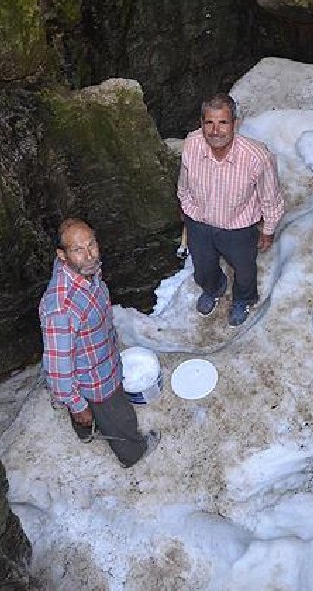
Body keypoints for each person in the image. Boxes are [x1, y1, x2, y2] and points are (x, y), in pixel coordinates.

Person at [39, 217, 159, 467]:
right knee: (121, 418)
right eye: (77, 249)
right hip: (97, 380)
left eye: (91, 244)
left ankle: (85, 430)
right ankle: (132, 453)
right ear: (62, 255)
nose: (89, 254)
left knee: (89, 416)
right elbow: (58, 371)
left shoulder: (83, 270)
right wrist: (77, 405)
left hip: (98, 355)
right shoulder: (61, 310)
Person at [177, 93, 285, 326]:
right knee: (203, 267)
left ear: (235, 124)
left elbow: (271, 197)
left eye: (223, 122)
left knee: (245, 271)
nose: (215, 130)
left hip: (238, 227)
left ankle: (243, 299)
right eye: (209, 122)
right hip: (200, 222)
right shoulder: (192, 145)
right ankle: (214, 287)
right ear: (202, 123)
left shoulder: (256, 157)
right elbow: (184, 183)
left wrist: (268, 230)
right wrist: (185, 210)